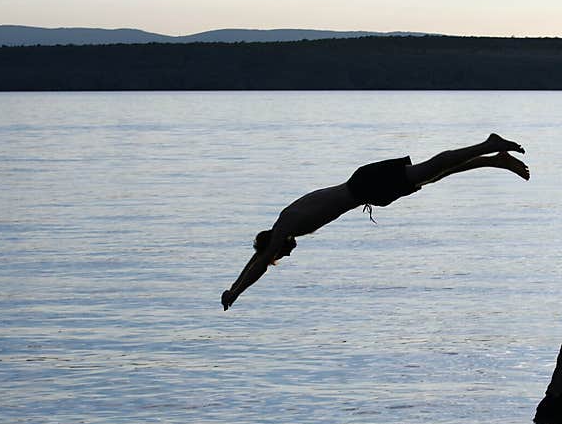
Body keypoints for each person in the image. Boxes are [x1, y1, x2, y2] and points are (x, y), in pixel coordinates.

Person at [220, 133, 528, 310]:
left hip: (366, 186)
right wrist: (233, 286)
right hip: (365, 187)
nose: (286, 255)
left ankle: (488, 145)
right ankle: (494, 160)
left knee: (433, 167)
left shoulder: (284, 228)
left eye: (280, 256)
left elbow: (258, 263)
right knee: (432, 175)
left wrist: (236, 292)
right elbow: (256, 260)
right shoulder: (284, 222)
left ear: (273, 246)